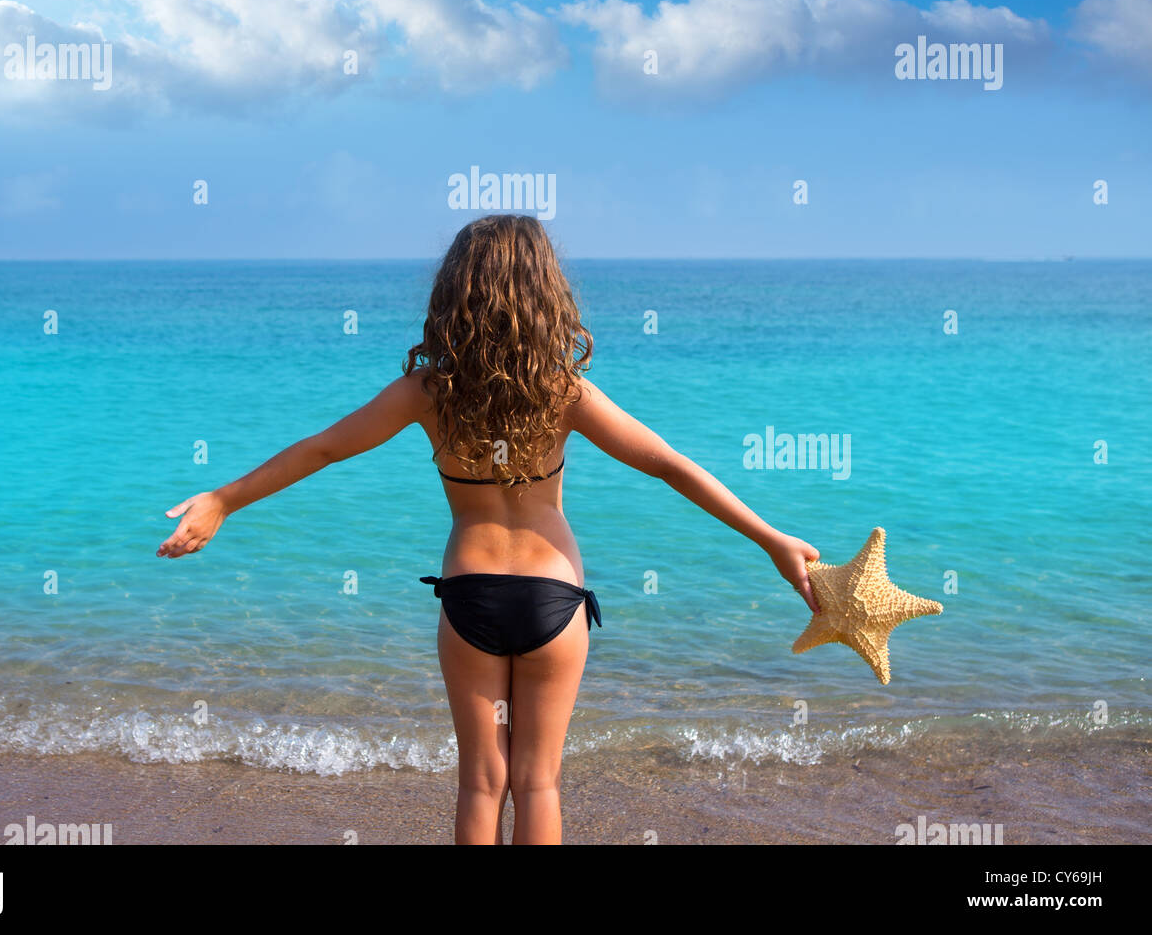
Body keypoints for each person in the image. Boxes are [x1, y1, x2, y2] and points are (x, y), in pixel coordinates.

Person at [157, 214, 819, 845]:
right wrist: (772, 540)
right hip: (552, 599)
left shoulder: (427, 391)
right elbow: (670, 467)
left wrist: (222, 499)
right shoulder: (565, 393)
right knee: (538, 782)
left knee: (480, 782)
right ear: (546, 294)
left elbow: (324, 448)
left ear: (455, 294)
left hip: (470, 594)